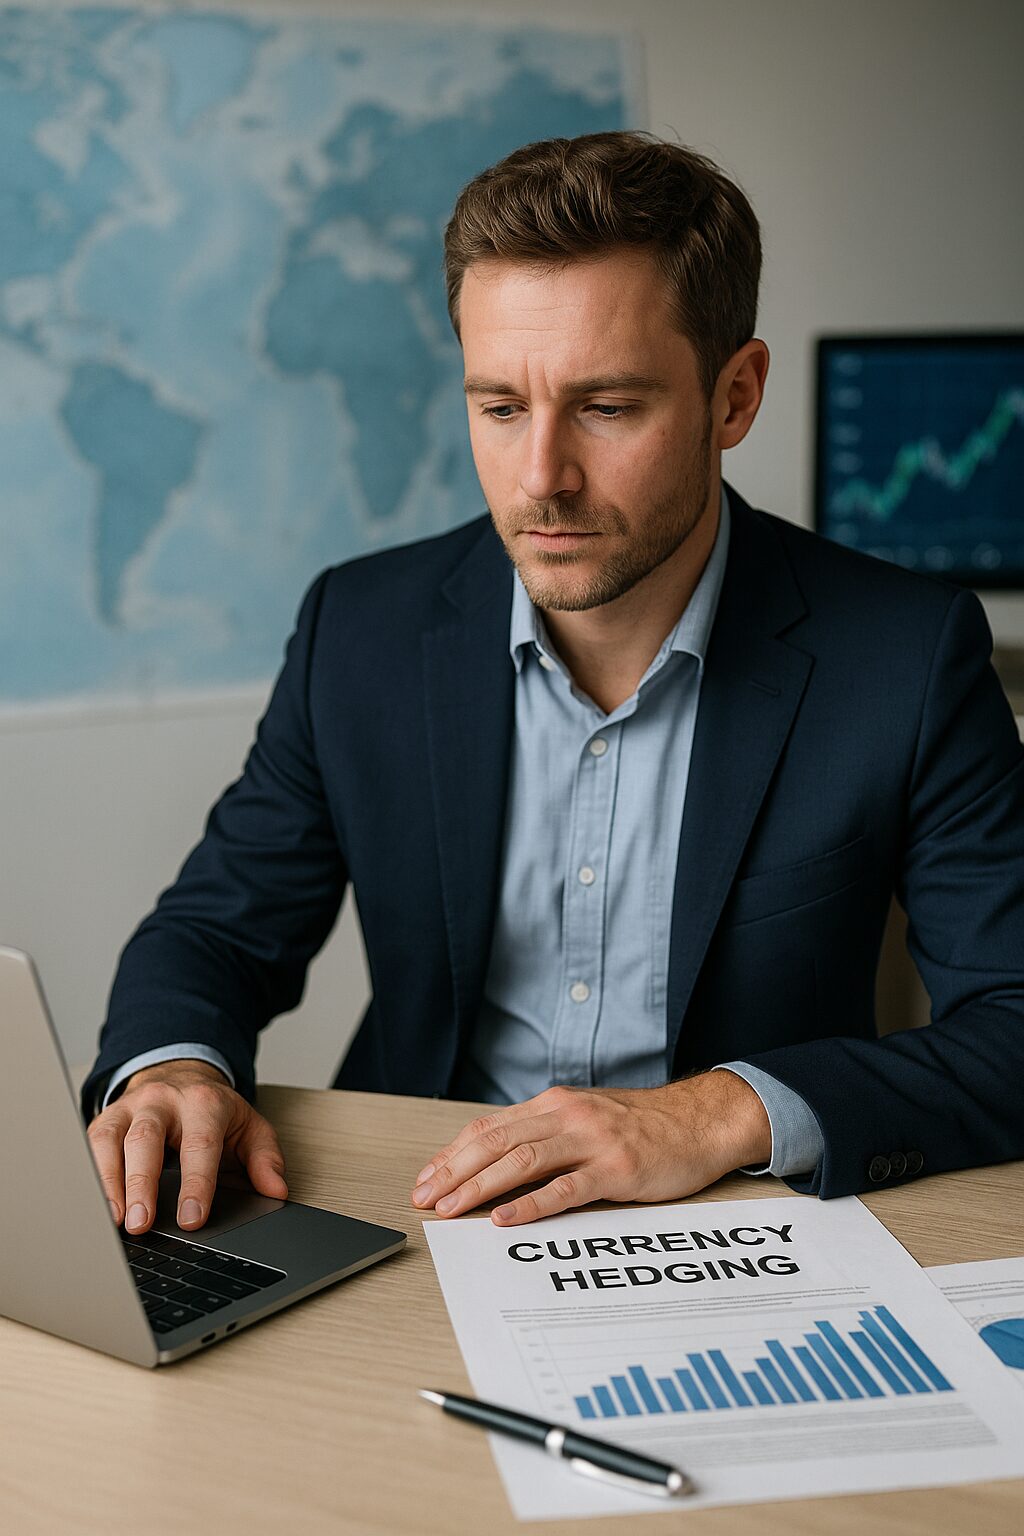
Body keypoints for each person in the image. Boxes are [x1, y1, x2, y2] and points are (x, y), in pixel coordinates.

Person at [82, 131, 1024, 1241]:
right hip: (417, 1205)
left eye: (608, 407)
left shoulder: (905, 656)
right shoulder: (361, 628)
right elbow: (215, 931)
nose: (541, 479)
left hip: (734, 1220)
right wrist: (175, 1070)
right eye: (500, 407)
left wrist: (712, 1115)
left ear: (734, 396)